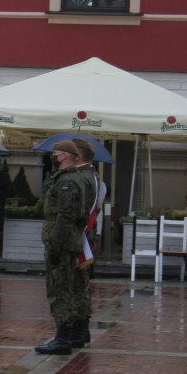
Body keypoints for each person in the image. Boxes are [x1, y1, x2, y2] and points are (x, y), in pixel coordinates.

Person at [34, 140, 87, 355]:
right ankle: (68, 334)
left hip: (62, 243)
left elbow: (65, 216)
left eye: (56, 152)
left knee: (59, 289)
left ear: (64, 155)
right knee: (65, 287)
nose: (53, 156)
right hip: (66, 241)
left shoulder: (68, 182)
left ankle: (62, 338)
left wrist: (55, 244)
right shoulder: (71, 178)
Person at [70, 137, 105, 348]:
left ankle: (75, 331)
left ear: (79, 156)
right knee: (81, 287)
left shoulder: (83, 178)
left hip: (80, 237)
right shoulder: (92, 177)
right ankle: (80, 331)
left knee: (75, 287)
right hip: (86, 236)